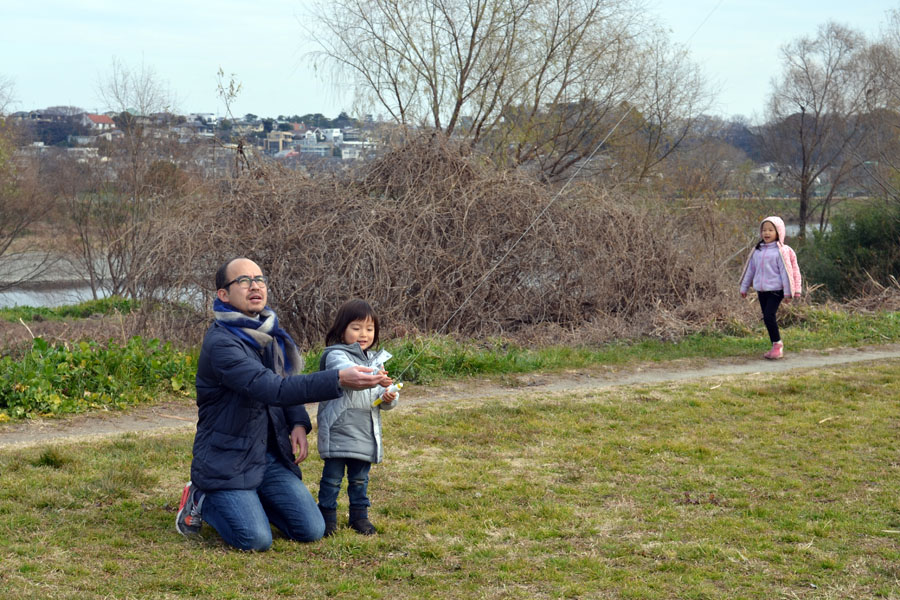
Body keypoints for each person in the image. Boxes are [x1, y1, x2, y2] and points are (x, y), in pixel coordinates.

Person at [175, 258, 391, 551]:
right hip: (227, 460)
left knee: (311, 529)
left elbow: (286, 377)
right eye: (243, 281)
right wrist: (338, 378)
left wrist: (298, 422)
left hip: (267, 455)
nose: (254, 286)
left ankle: (250, 500)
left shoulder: (268, 330)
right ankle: (201, 497)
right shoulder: (222, 343)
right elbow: (272, 388)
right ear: (223, 295)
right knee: (255, 540)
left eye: (259, 279)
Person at [316, 299, 399, 536]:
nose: (364, 334)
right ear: (342, 329)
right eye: (356, 328)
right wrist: (376, 375)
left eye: (369, 329)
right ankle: (327, 517)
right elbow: (350, 374)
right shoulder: (335, 355)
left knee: (360, 480)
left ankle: (359, 517)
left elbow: (380, 397)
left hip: (364, 430)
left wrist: (389, 396)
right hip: (339, 429)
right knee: (331, 479)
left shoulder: (376, 360)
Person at [739, 216, 802, 360]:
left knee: (769, 315)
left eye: (770, 230)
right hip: (761, 291)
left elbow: (788, 272)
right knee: (767, 318)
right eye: (764, 230)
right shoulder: (757, 251)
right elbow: (750, 270)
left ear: (778, 232)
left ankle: (777, 345)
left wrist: (789, 293)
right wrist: (744, 288)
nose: (766, 233)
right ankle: (775, 345)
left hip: (776, 290)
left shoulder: (782, 251)